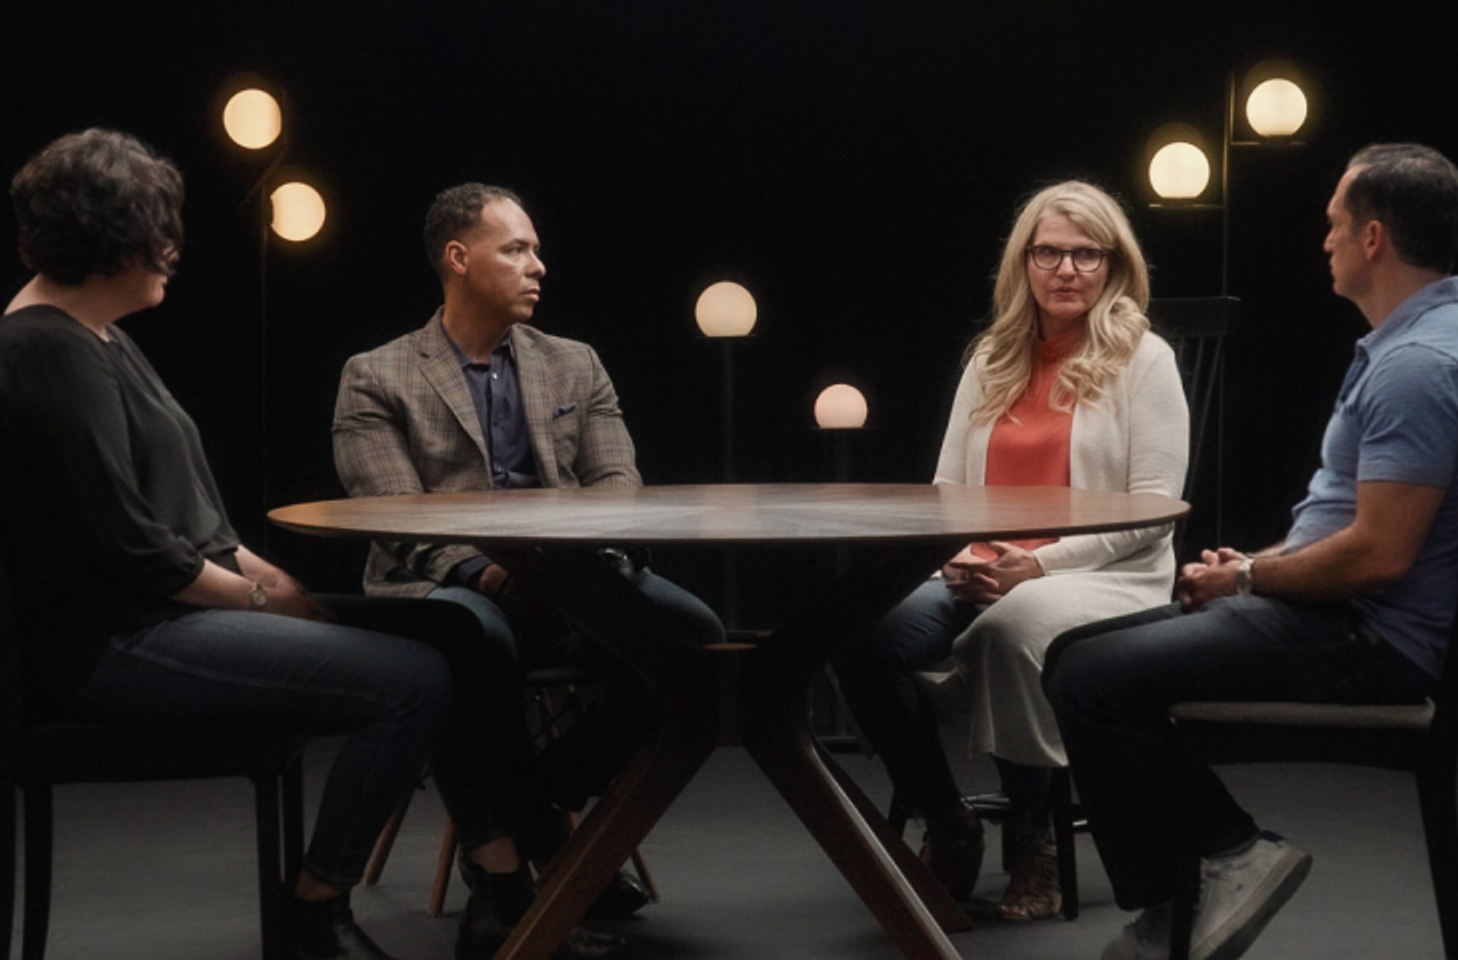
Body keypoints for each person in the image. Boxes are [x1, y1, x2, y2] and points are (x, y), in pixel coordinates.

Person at [0, 129, 624, 960]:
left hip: (173, 607)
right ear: (107, 234)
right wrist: (267, 600)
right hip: (118, 640)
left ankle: (501, 890)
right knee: (412, 680)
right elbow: (136, 552)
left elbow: (199, 527)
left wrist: (271, 583)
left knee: (459, 633)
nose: (172, 250)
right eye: (158, 230)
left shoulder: (99, 337)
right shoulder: (43, 348)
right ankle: (314, 911)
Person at [1043, 143, 1458, 960]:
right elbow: (1350, 526)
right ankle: (1217, 863)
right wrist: (1250, 572)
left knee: (1089, 678)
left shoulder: (1416, 365)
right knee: (1076, 657)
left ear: (1373, 238)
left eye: (1335, 223)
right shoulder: (1418, 340)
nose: (1325, 240)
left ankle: (1207, 877)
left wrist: (1250, 577)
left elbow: (1378, 557)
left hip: (1367, 640)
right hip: (1337, 614)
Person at [331, 182, 725, 904]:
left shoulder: (575, 363)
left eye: (536, 250)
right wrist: (492, 574)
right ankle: (516, 864)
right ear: (458, 258)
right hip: (449, 585)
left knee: (695, 636)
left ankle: (541, 802)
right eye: (516, 250)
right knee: (473, 637)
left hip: (573, 577)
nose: (538, 265)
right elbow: (394, 516)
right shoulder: (376, 375)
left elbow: (618, 488)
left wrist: (579, 571)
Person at [832, 180, 1189, 920]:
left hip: (1106, 575)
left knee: (1008, 628)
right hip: (985, 569)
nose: (1067, 270)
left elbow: (1154, 512)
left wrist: (1038, 564)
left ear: (1114, 264)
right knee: (858, 633)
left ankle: (1033, 842)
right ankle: (947, 817)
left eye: (1086, 254)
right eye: (1049, 253)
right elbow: (947, 490)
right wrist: (951, 557)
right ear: (1023, 262)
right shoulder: (993, 357)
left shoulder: (1144, 359)